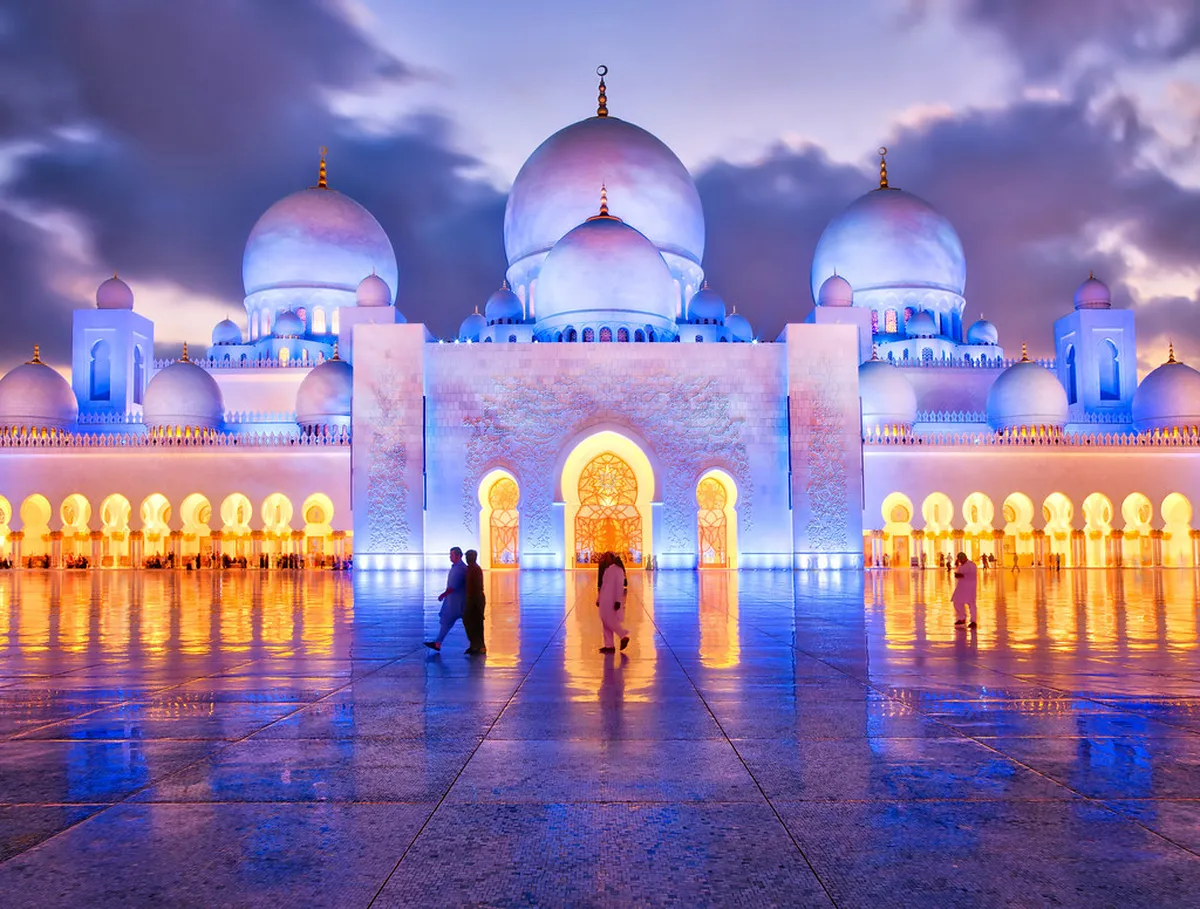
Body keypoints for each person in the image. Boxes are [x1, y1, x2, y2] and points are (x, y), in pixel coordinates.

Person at [426, 547, 466, 652]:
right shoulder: (458, 567)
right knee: (447, 622)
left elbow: (453, 586)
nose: (450, 557)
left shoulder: (459, 569)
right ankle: (438, 643)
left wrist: (443, 595)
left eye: (451, 555)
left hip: (456, 603)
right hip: (455, 602)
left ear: (458, 556)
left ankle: (438, 643)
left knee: (448, 621)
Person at [597, 551, 630, 653]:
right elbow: (603, 585)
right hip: (605, 598)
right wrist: (599, 598)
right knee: (605, 621)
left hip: (612, 599)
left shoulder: (617, 570)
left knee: (609, 620)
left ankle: (623, 635)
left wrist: (617, 601)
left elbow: (619, 586)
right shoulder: (608, 569)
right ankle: (609, 645)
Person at [463, 549, 487, 655]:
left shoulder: (476, 569)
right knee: (469, 622)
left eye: (469, 556)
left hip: (475, 599)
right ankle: (474, 644)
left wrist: (478, 604)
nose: (467, 558)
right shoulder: (469, 569)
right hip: (470, 599)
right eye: (467, 556)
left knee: (477, 623)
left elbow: (478, 587)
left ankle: (480, 646)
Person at [951, 551, 978, 628]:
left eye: (961, 559)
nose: (960, 561)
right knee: (957, 601)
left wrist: (961, 575)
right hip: (961, 587)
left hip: (970, 587)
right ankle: (962, 618)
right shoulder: (962, 566)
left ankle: (973, 621)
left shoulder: (971, 565)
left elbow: (971, 575)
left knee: (971, 603)